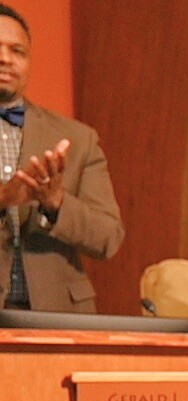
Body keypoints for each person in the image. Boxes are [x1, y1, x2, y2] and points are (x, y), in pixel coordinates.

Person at [0, 3, 123, 312]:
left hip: (58, 313)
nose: (5, 59)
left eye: (18, 51)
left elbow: (109, 237)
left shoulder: (78, 138)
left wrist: (57, 204)